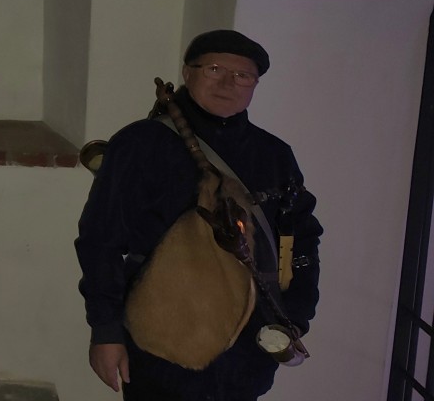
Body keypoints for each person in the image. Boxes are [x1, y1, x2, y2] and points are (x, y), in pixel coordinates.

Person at [75, 30, 322, 400]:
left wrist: (296, 317)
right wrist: (106, 330)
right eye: (214, 69)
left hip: (246, 352)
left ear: (254, 85)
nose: (227, 83)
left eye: (242, 76)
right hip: (159, 344)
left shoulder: (274, 155)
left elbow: (302, 239)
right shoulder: (141, 143)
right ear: (188, 73)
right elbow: (100, 240)